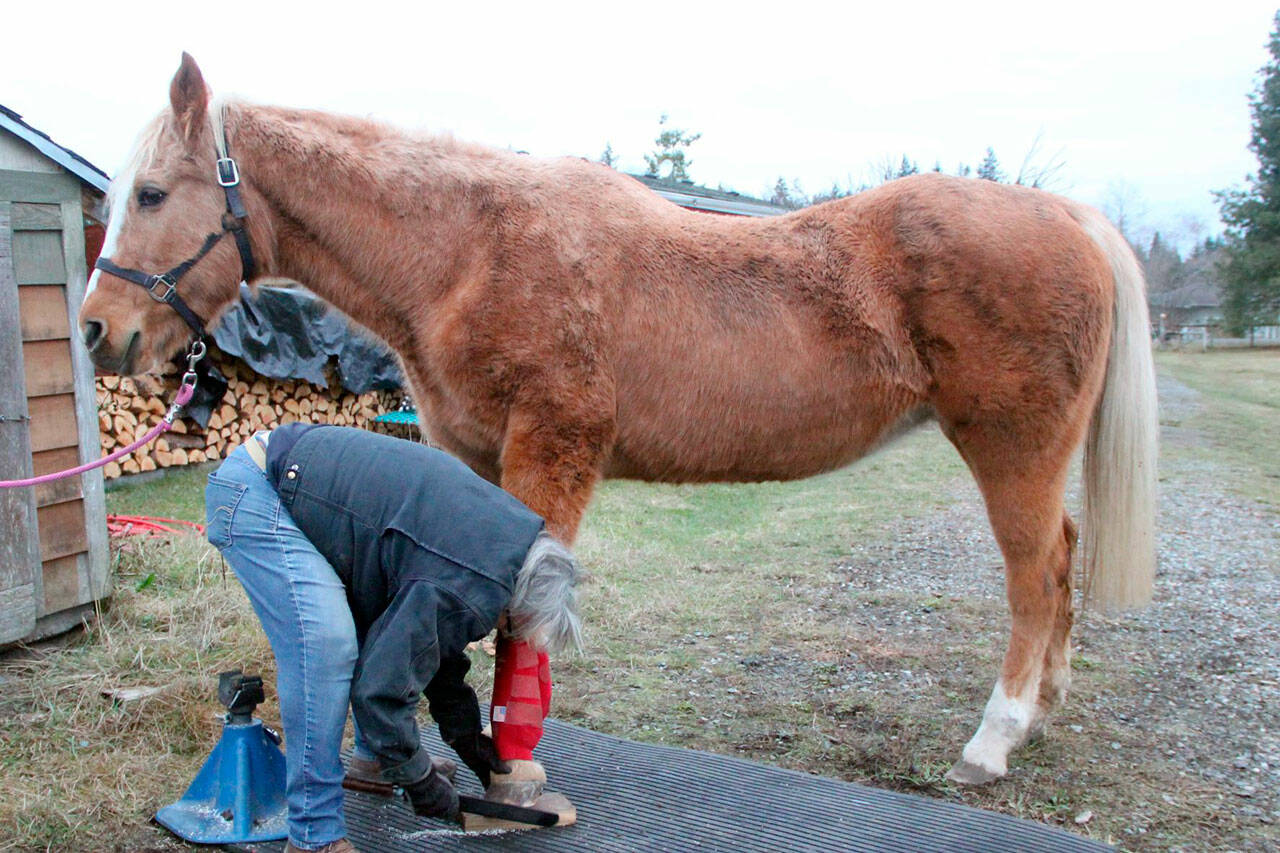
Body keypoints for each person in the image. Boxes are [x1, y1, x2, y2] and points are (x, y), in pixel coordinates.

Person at [204, 422, 583, 853]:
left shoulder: (507, 546)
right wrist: (422, 784)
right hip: (258, 490)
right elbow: (380, 693)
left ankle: (373, 763)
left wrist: (472, 746)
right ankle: (314, 836)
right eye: (511, 629)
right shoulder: (474, 577)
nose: (502, 635)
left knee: (382, 622)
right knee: (327, 645)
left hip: (307, 484)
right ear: (515, 604)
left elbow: (432, 648)